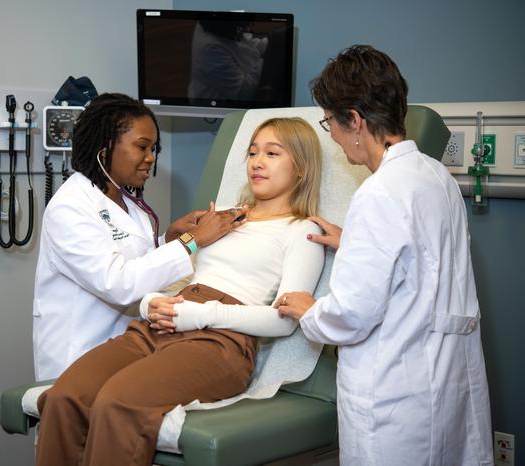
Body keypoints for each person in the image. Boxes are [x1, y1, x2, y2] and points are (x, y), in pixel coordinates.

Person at [35, 117, 325, 466]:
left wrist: (202, 314)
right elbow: (168, 275)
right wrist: (150, 304)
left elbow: (285, 322)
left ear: (302, 168)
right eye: (252, 152)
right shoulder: (225, 219)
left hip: (219, 342)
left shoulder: (301, 231)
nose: (257, 162)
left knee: (117, 402)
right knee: (65, 396)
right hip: (162, 324)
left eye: (272, 153)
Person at [277, 45, 493, 466]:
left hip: (396, 397)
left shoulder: (376, 193)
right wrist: (355, 242)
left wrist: (308, 310)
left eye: (330, 124)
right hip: (446, 383)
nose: (334, 137)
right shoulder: (435, 176)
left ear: (354, 120)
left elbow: (351, 316)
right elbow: (423, 258)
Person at [32, 93, 247, 381]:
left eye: (154, 148)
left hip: (126, 350)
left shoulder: (128, 203)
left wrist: (167, 240)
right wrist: (193, 241)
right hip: (78, 354)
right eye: (142, 147)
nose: (151, 158)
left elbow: (133, 257)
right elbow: (118, 283)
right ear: (104, 146)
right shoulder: (69, 207)